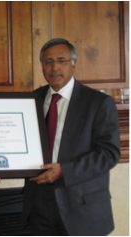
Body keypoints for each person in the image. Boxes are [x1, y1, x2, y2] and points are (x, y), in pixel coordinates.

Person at [22, 38, 120, 236]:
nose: (55, 67)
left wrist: (64, 171)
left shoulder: (98, 103)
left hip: (82, 206)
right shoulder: (31, 100)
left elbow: (109, 153)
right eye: (48, 61)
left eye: (62, 60)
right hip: (39, 203)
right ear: (42, 65)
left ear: (73, 63)